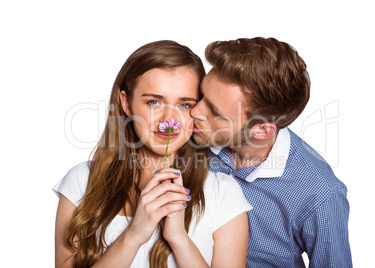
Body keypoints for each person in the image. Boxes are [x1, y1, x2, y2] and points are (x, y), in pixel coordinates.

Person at [53, 40, 252, 268]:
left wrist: (179, 238)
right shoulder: (82, 181)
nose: (170, 119)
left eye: (185, 104)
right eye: (154, 102)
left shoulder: (223, 193)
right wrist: (134, 235)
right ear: (126, 103)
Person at [190, 37, 352, 267]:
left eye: (215, 112)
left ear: (262, 130)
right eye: (201, 95)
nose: (194, 111)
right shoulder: (188, 137)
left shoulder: (320, 194)